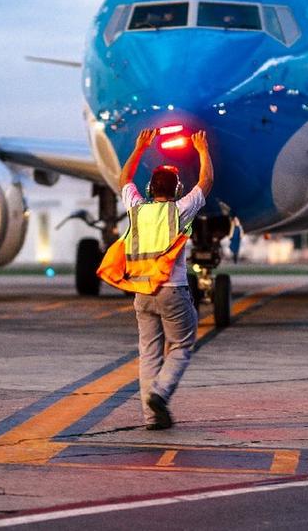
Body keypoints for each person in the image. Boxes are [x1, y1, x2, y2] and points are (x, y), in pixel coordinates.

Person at [118, 127, 213, 430]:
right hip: (173, 290)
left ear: (149, 189)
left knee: (148, 352)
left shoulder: (136, 209)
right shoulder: (179, 211)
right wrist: (201, 150)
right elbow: (206, 182)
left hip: (142, 291)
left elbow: (124, 180)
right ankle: (160, 393)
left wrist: (140, 148)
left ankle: (150, 417)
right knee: (182, 345)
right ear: (175, 190)